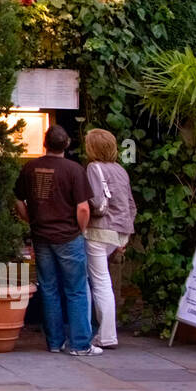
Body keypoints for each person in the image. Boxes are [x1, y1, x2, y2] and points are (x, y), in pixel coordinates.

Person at [15, 125, 100, 356]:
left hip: (41, 235)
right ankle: (80, 344)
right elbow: (83, 208)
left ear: (45, 143)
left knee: (49, 288)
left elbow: (19, 201)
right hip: (68, 236)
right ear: (67, 144)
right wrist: (80, 230)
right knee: (76, 290)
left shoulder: (30, 167)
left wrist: (30, 221)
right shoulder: (74, 170)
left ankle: (54, 342)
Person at [83, 128, 136, 349]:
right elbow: (131, 204)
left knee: (97, 282)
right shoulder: (121, 170)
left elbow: (96, 202)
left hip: (99, 230)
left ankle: (104, 335)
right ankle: (99, 332)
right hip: (119, 231)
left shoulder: (94, 168)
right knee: (101, 280)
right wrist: (125, 236)